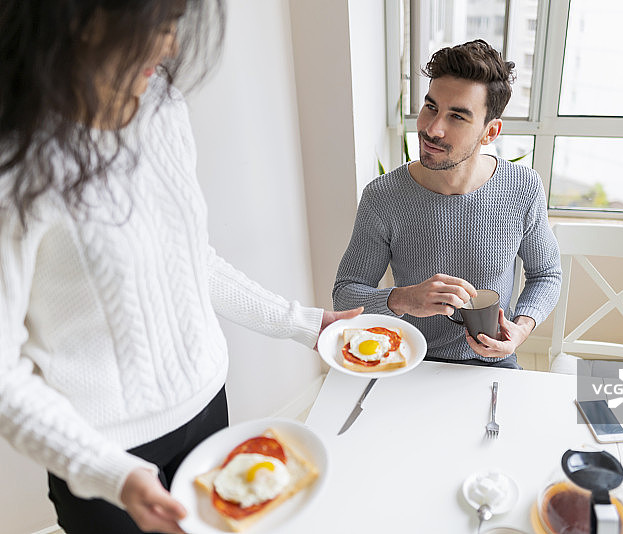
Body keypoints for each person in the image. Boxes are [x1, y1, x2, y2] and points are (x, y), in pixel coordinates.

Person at [0, 2, 360, 533]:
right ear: (78, 20)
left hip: (208, 412)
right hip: (101, 453)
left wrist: (304, 323)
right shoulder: (17, 163)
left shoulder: (162, 107)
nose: (170, 46)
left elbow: (191, 261)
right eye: (154, 25)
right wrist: (111, 474)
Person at [333, 40, 561, 369]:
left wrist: (521, 328)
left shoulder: (523, 187)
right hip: (409, 361)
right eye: (431, 107)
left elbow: (546, 274)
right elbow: (345, 294)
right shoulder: (383, 197)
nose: (432, 128)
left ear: (490, 132)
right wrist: (404, 298)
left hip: (493, 364)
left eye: (457, 116)